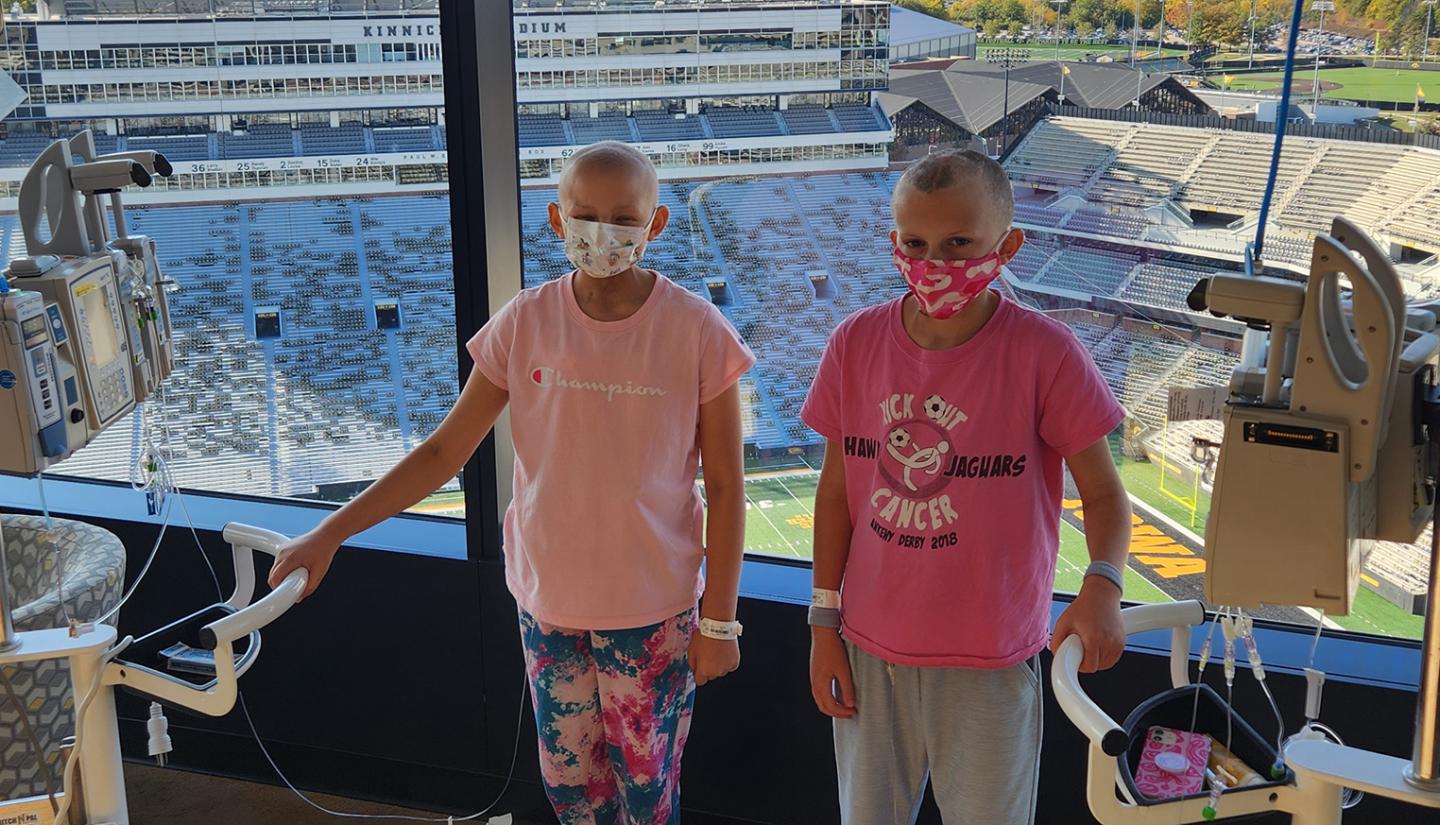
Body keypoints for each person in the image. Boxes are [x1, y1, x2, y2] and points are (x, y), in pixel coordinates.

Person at [268, 141, 756, 825]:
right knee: (570, 788)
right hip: (550, 606)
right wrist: (330, 532)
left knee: (649, 794)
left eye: (624, 218)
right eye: (586, 215)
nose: (603, 233)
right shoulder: (525, 320)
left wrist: (721, 621)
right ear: (556, 219)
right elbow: (443, 450)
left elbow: (727, 487)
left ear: (656, 223)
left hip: (654, 612)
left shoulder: (699, 330)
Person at [802, 150, 1133, 824]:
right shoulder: (854, 343)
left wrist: (1103, 584)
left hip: (991, 658)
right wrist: (823, 623)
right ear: (894, 242)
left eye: (959, 243)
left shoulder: (1045, 352)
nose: (935, 262)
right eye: (916, 244)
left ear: (1007, 245)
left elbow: (1103, 492)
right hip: (868, 649)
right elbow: (836, 496)